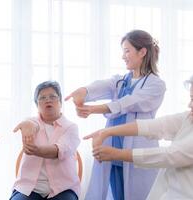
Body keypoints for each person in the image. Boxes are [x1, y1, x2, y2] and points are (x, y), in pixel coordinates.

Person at [65, 30, 166, 200]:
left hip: (137, 148)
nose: (123, 56)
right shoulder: (121, 81)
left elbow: (128, 103)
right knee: (115, 192)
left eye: (127, 51)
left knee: (137, 194)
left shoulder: (156, 85)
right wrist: (83, 92)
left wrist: (93, 110)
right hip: (112, 147)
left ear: (142, 52)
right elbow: (101, 86)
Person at [84, 74, 193, 200]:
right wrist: (106, 132)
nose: (189, 104)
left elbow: (169, 155)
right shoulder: (189, 117)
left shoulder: (156, 84)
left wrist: (117, 154)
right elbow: (155, 125)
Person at [10, 81, 80, 200]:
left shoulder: (70, 127)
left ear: (60, 102)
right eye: (42, 98)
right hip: (29, 188)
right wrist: (28, 124)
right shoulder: (31, 122)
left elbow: (58, 151)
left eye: (53, 96)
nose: (48, 100)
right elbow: (32, 124)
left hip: (63, 189)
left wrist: (37, 150)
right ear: (37, 105)